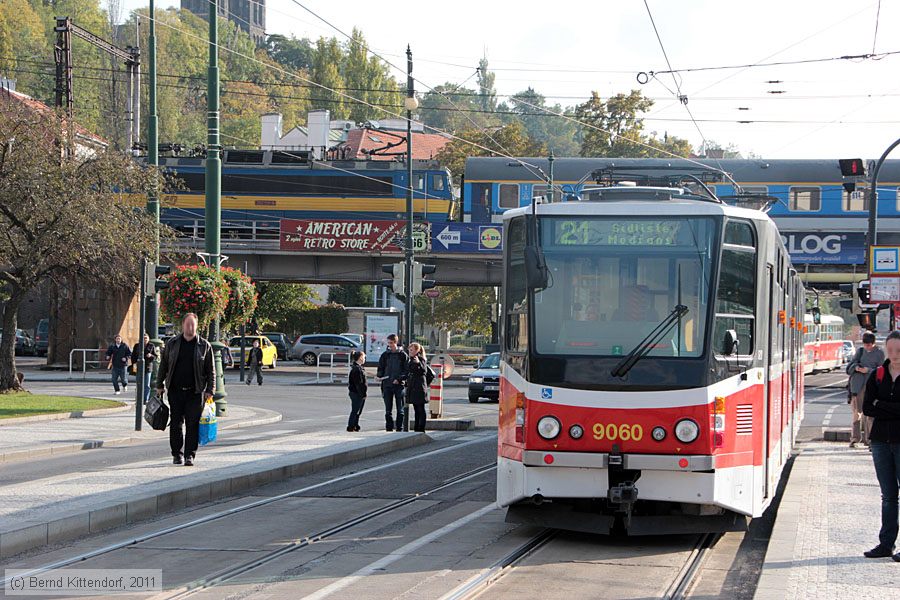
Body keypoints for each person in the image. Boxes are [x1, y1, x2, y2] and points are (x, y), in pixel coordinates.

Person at [861, 329, 900, 561]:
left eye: (899, 350)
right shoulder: (878, 374)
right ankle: (886, 544)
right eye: (891, 349)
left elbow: (876, 406)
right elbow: (867, 408)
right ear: (886, 349)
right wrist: (892, 407)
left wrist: (882, 404)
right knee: (888, 496)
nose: (894, 354)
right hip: (880, 443)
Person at [157, 313, 215, 467]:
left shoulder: (204, 346)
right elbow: (164, 365)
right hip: (175, 390)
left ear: (197, 326)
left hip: (195, 391)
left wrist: (210, 390)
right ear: (182, 325)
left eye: (193, 324)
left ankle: (190, 454)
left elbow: (211, 371)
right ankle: (177, 454)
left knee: (192, 424)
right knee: (176, 423)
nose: (190, 327)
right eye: (188, 324)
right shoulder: (172, 343)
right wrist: (159, 385)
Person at [847, 332, 884, 447]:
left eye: (869, 345)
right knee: (856, 413)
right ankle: (855, 438)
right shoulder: (860, 351)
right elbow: (850, 366)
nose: (867, 347)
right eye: (865, 345)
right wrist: (857, 368)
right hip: (857, 386)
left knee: (870, 414)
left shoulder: (879, 353)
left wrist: (867, 370)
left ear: (873, 344)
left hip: (871, 386)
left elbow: (881, 370)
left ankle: (870, 440)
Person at [376, 334, 408, 432]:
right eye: (388, 343)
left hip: (399, 385)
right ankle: (389, 428)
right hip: (387, 385)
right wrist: (379, 376)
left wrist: (399, 379)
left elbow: (406, 371)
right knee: (388, 410)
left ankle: (399, 428)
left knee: (400, 409)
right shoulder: (385, 355)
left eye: (391, 343)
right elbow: (381, 368)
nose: (389, 345)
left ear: (395, 342)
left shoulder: (402, 355)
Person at [405, 342, 434, 433]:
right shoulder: (410, 359)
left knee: (420, 408)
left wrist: (418, 363)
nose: (410, 351)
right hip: (412, 387)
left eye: (412, 350)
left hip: (419, 388)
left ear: (417, 350)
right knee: (416, 409)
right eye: (409, 349)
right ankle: (417, 428)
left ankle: (421, 428)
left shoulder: (420, 359)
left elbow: (423, 371)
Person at [131, 332, 159, 404]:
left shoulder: (151, 346)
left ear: (148, 339)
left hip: (148, 367)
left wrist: (151, 355)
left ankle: (145, 399)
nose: (145, 340)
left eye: (146, 338)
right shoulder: (137, 346)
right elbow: (133, 356)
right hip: (139, 367)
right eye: (143, 338)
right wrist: (134, 364)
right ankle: (139, 399)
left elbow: (155, 356)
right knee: (139, 384)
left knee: (147, 385)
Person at [347, 350, 367, 432]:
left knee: (357, 410)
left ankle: (355, 424)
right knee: (355, 410)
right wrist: (363, 394)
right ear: (360, 358)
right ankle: (351, 426)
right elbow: (359, 384)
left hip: (357, 392)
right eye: (364, 357)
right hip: (357, 393)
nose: (365, 359)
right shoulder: (357, 369)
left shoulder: (358, 368)